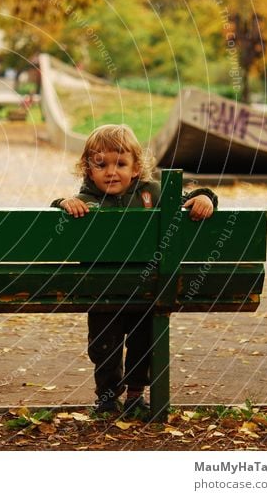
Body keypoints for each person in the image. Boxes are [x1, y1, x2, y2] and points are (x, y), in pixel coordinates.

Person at [50, 124, 217, 415]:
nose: (111, 171)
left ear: (136, 169)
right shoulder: (85, 201)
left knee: (143, 343)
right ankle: (107, 396)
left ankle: (136, 395)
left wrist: (205, 198)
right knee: (104, 348)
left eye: (120, 164)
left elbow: (187, 198)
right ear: (88, 170)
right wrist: (64, 203)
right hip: (104, 293)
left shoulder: (152, 194)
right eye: (100, 165)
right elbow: (56, 211)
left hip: (146, 293)